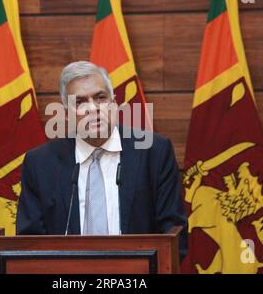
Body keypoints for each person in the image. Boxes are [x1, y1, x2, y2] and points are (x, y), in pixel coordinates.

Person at [16, 61, 187, 259]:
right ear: (66, 114)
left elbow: (174, 233)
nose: (93, 108)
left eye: (101, 98)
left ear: (113, 103)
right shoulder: (40, 163)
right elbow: (30, 241)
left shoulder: (154, 152)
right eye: (80, 102)